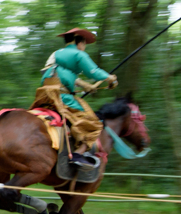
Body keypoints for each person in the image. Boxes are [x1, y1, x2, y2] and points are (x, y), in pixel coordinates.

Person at [33, 28, 118, 169]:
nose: (84, 48)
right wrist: (111, 79)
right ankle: (78, 154)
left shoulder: (57, 54)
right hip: (62, 97)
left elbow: (58, 72)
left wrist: (84, 85)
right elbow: (94, 72)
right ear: (80, 42)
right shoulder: (79, 54)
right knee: (95, 124)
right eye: (84, 44)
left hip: (44, 95)